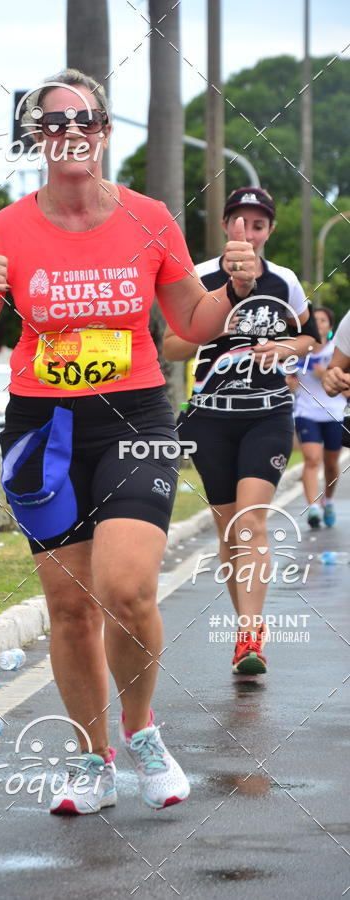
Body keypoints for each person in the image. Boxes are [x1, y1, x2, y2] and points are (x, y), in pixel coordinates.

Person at [0, 70, 257, 816]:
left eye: (84, 119)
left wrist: (234, 293)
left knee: (126, 587)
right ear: (37, 138)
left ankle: (142, 730)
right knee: (71, 607)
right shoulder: (7, 229)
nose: (70, 132)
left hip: (135, 419)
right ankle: (91, 758)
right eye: (53, 122)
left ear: (105, 131)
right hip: (41, 430)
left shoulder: (148, 218)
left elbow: (189, 324)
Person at [164, 187, 319, 676]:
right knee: (229, 528)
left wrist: (284, 350)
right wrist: (219, 311)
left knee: (252, 521)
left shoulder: (285, 280)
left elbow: (310, 335)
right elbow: (170, 345)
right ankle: (243, 628)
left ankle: (250, 635)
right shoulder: (199, 276)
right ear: (226, 226)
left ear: (269, 231)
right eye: (239, 223)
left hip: (267, 414)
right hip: (210, 416)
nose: (248, 233)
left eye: (258, 225)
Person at [286, 307, 347, 527]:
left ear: (330, 327)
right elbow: (288, 380)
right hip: (305, 413)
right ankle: (312, 507)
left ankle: (328, 501)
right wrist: (289, 385)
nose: (318, 323)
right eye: (315, 320)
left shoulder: (337, 353)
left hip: (334, 413)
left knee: (331, 464)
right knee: (311, 460)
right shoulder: (299, 353)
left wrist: (328, 375)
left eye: (323, 320)